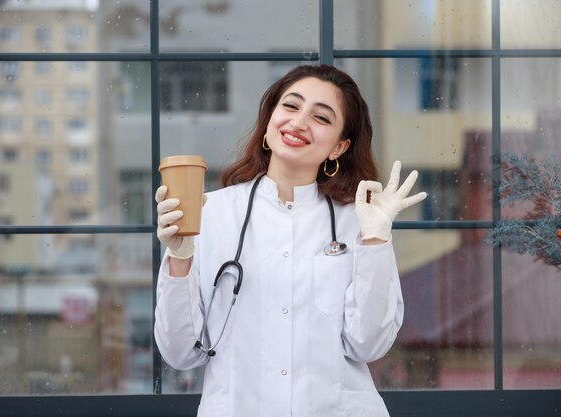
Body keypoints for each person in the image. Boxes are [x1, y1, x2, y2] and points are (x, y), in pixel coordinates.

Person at [154, 64, 427, 417]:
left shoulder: (359, 220)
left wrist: (374, 239)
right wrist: (180, 259)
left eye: (322, 118)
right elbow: (179, 352)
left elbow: (368, 345)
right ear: (269, 122)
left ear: (339, 146)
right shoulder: (211, 213)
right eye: (291, 106)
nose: (299, 123)